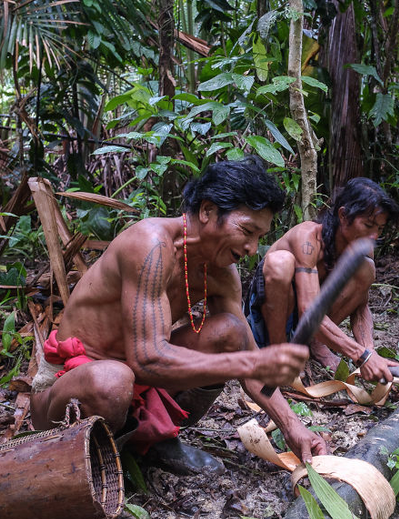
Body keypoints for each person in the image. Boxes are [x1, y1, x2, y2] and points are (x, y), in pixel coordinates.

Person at [30, 156, 327, 474]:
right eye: (247, 230)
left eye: (260, 237)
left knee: (231, 332)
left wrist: (292, 426)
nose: (253, 248)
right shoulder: (152, 245)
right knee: (111, 380)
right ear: (208, 211)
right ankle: (101, 461)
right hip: (69, 388)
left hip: (134, 383)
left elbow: (246, 357)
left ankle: (149, 441)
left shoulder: (222, 273)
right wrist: (250, 362)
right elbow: (148, 359)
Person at [245, 177, 399, 384]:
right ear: (343, 216)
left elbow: (361, 307)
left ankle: (314, 345)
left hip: (306, 328)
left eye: (379, 230)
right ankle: (280, 357)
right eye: (368, 225)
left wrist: (369, 350)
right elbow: (309, 312)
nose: (373, 236)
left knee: (365, 268)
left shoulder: (363, 247)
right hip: (264, 321)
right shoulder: (308, 238)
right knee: (280, 263)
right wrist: (361, 356)